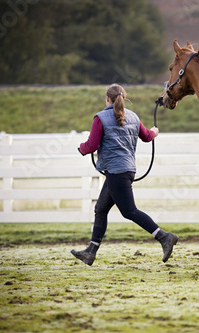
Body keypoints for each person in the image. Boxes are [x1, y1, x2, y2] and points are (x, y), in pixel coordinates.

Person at [71, 84, 178, 266]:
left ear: (107, 99)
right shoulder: (133, 117)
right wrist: (155, 132)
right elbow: (146, 136)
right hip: (125, 170)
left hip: (116, 172)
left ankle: (164, 237)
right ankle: (91, 251)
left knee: (129, 211)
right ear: (123, 98)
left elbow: (91, 145)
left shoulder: (100, 118)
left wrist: (81, 148)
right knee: (101, 209)